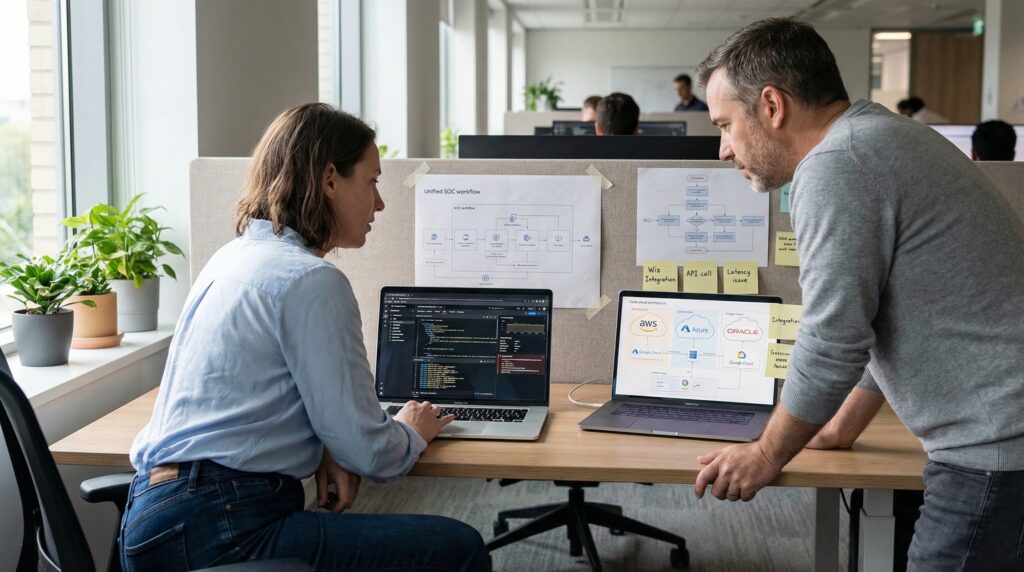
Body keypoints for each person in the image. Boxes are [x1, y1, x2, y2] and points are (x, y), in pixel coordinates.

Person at [692, 17, 1024, 571]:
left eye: (726, 125)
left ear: (771, 106)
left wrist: (766, 453)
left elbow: (832, 339)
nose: (723, 150)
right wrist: (841, 426)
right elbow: (876, 314)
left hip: (994, 450)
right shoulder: (881, 136)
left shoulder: (836, 165)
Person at [121, 103, 490, 572]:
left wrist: (326, 447)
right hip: (222, 526)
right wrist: (411, 432)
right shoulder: (311, 280)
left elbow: (267, 399)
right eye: (372, 182)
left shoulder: (231, 258)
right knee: (458, 547)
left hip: (154, 515)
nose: (379, 203)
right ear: (330, 179)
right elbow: (371, 453)